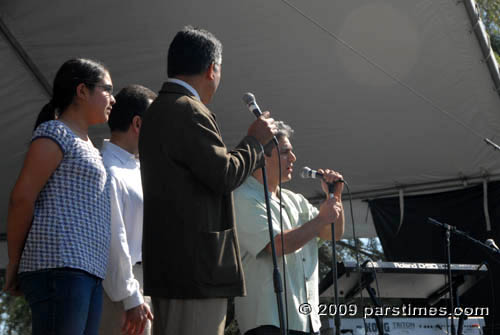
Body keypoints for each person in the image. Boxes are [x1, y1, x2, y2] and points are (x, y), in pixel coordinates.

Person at [139, 26, 277, 335]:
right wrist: (254, 143)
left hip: (171, 266)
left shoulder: (160, 108)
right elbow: (223, 174)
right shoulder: (188, 109)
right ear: (211, 69)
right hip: (195, 269)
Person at [4, 58, 115, 335]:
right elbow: (21, 198)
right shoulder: (54, 132)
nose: (113, 99)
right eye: (107, 89)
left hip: (87, 270)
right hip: (59, 266)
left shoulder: (89, 144)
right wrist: (14, 261)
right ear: (81, 91)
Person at [234, 121, 345, 335]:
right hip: (267, 321)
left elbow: (333, 232)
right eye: (285, 152)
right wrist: (321, 219)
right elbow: (275, 245)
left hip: (305, 321)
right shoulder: (242, 196)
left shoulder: (295, 200)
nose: (293, 158)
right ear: (262, 156)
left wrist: (335, 196)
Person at [99, 85, 156, 335]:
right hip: (121, 293)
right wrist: (131, 296)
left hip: (142, 286)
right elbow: (114, 239)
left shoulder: (137, 168)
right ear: (138, 124)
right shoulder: (109, 170)